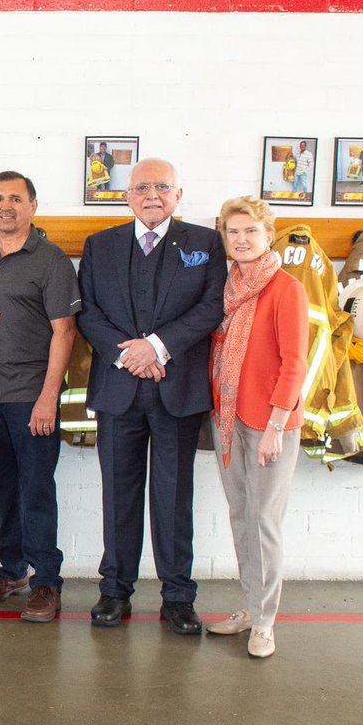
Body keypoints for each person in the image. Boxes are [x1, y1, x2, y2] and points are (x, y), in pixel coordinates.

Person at [76, 158, 226, 635]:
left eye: (163, 187)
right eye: (142, 187)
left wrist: (156, 347)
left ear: (178, 195)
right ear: (127, 197)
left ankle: (178, 597)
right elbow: (88, 312)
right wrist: (130, 356)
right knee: (118, 496)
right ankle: (114, 592)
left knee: (173, 498)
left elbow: (211, 307)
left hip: (176, 392)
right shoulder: (100, 246)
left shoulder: (205, 243)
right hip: (119, 392)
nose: (152, 195)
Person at [0, 172, 80, 622]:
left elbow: (65, 331)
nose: (6, 205)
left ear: (34, 205)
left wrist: (47, 397)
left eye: (16, 198)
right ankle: (12, 570)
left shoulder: (51, 260)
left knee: (37, 491)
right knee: (6, 489)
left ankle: (47, 581)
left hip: (32, 399)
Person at [206, 196, 306, 659]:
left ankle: (265, 622)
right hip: (227, 417)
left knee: (264, 521)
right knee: (241, 517)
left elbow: (294, 364)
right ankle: (251, 606)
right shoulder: (227, 286)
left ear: (269, 235)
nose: (242, 239)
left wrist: (276, 426)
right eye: (233, 232)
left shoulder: (286, 288)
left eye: (251, 231)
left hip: (270, 424)